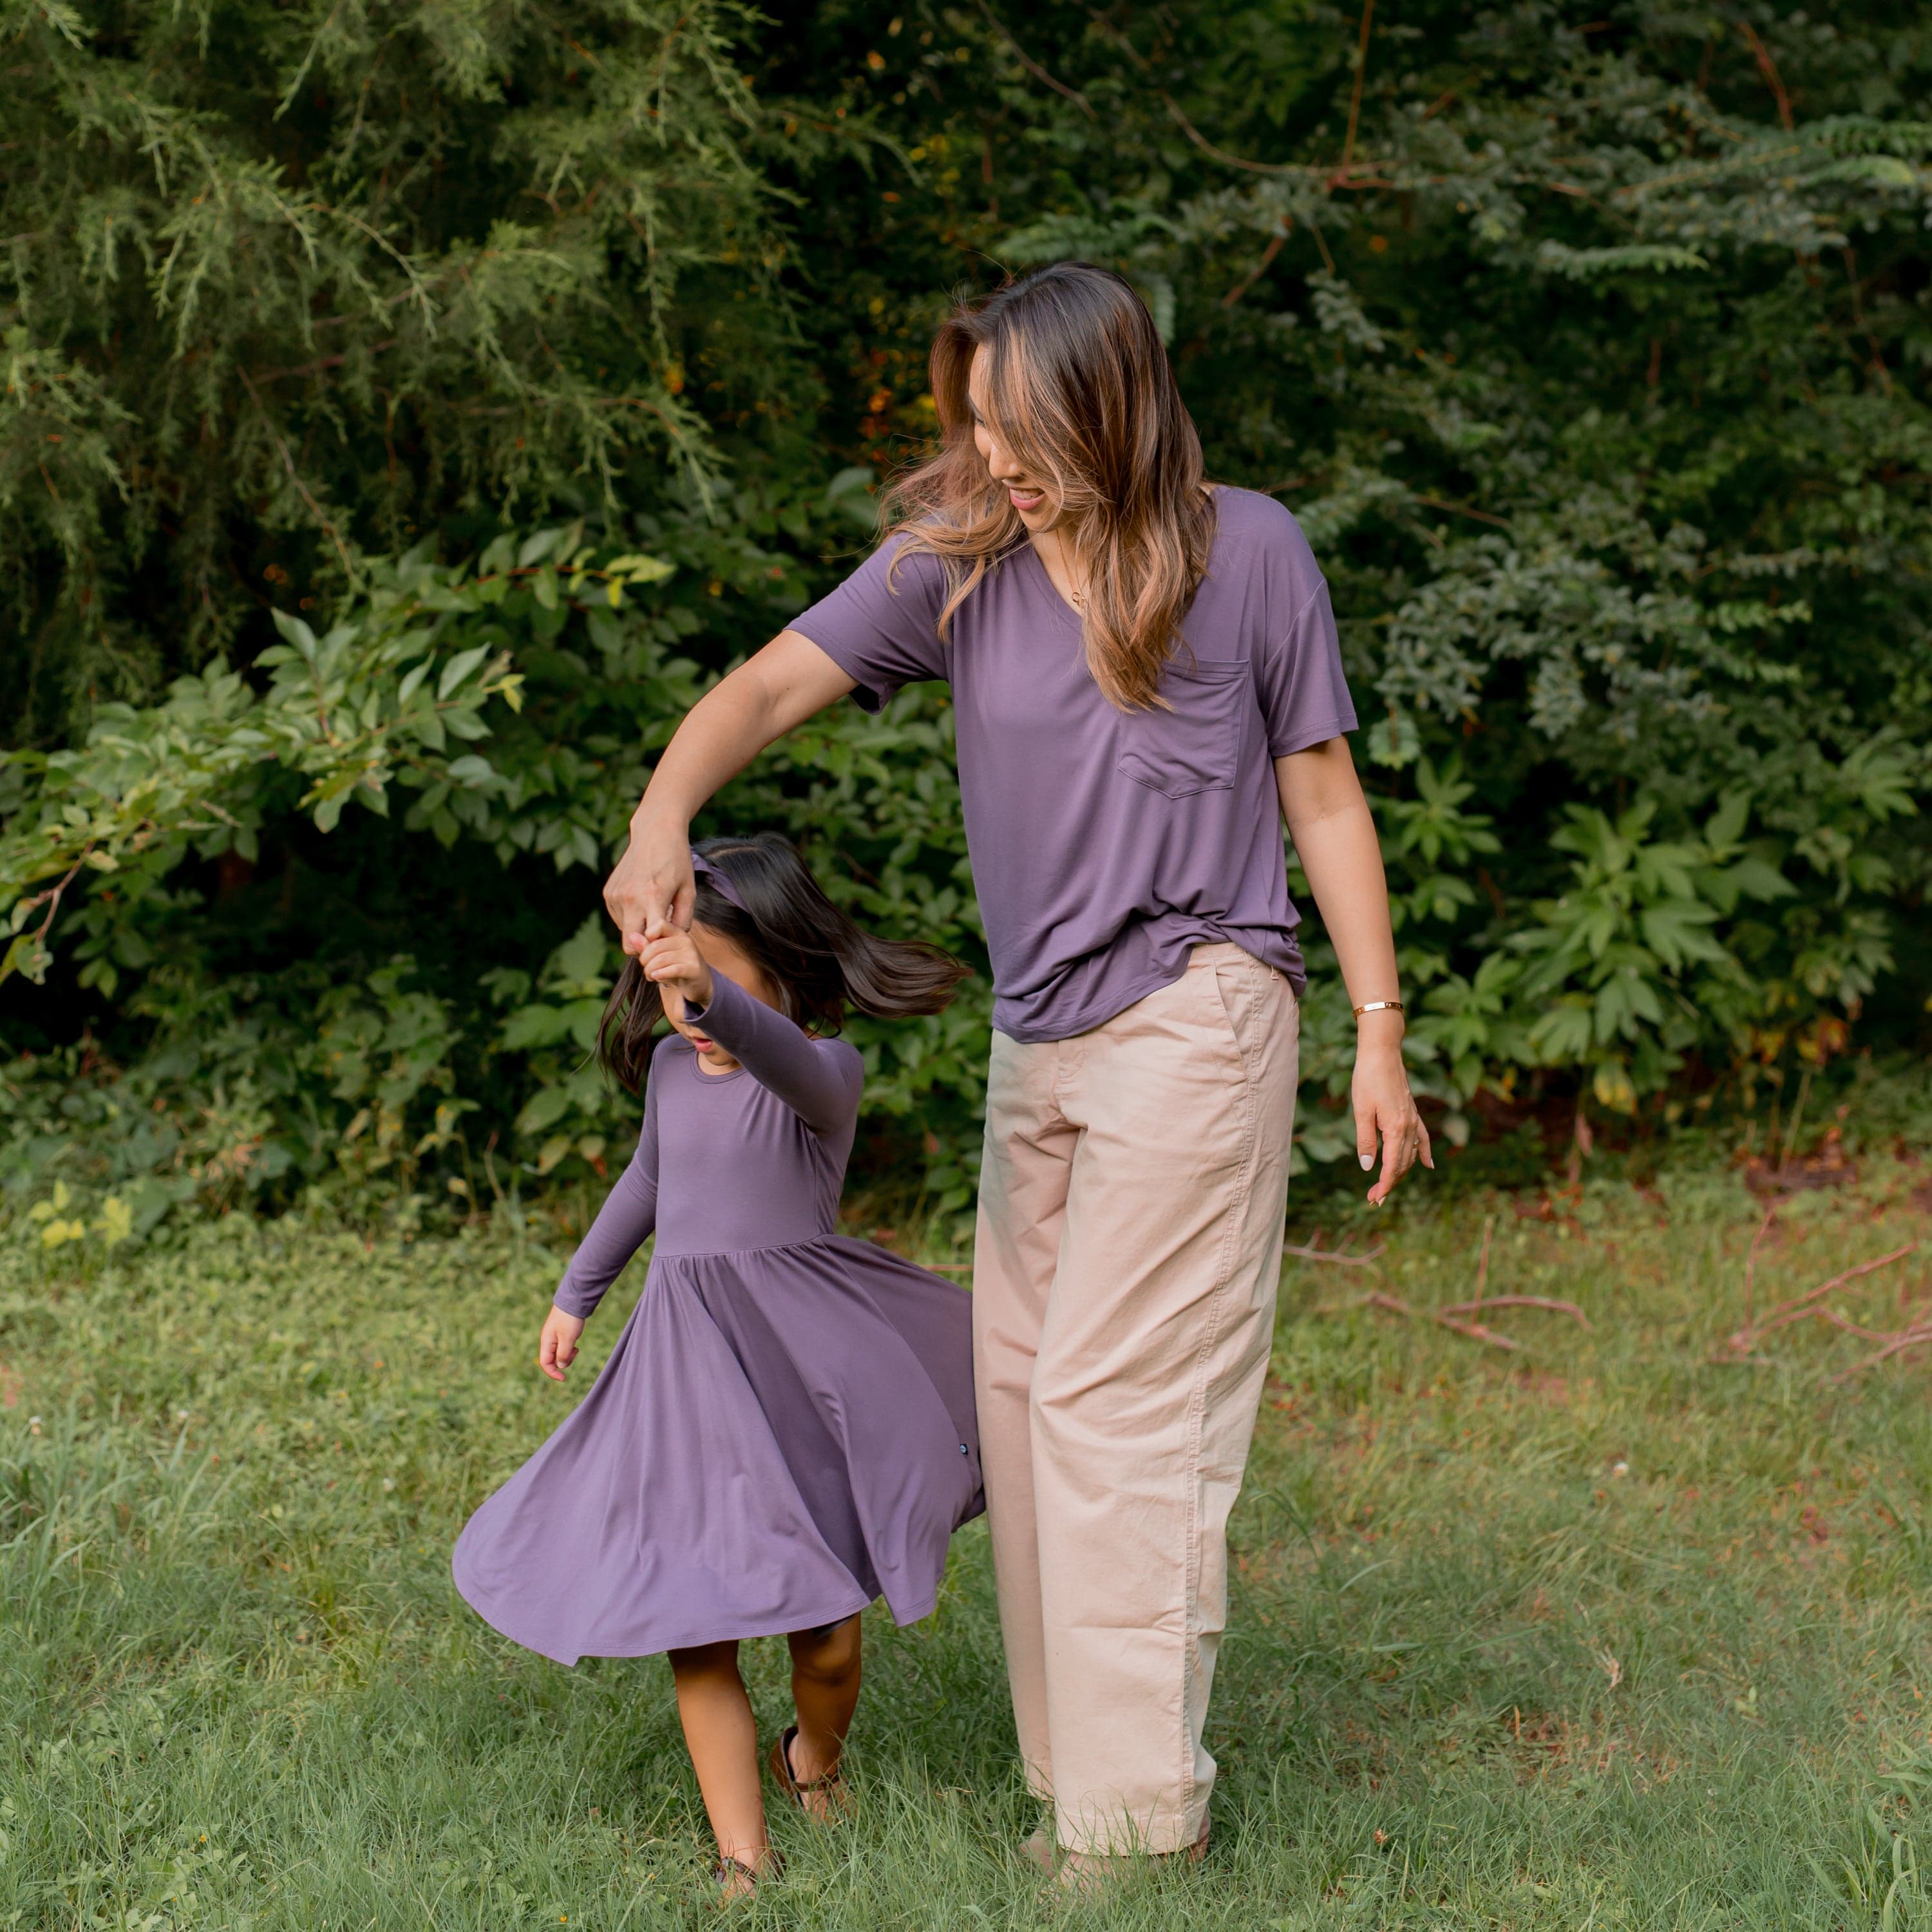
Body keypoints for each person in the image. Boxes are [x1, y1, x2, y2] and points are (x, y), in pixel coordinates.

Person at [601, 261, 1431, 1878]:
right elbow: (773, 681)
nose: (998, 460)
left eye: (1025, 430)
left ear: (1110, 409)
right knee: (1025, 1398)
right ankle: (1079, 1785)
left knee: (1119, 1406)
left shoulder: (1244, 549)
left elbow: (1322, 795)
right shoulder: (964, 560)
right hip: (1038, 1038)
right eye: (978, 428)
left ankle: (1128, 1839)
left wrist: (1379, 1031)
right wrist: (660, 813)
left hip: (1202, 1009)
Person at [453, 834, 981, 1895]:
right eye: (670, 981)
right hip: (687, 1369)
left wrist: (712, 999)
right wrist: (576, 1290)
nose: (683, 1009)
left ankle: (812, 1758)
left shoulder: (822, 1074)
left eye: (708, 978)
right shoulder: (668, 1071)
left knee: (826, 1635)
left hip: (800, 1366)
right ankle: (746, 1860)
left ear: (776, 967)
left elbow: (771, 1048)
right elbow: (648, 1180)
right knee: (701, 1624)